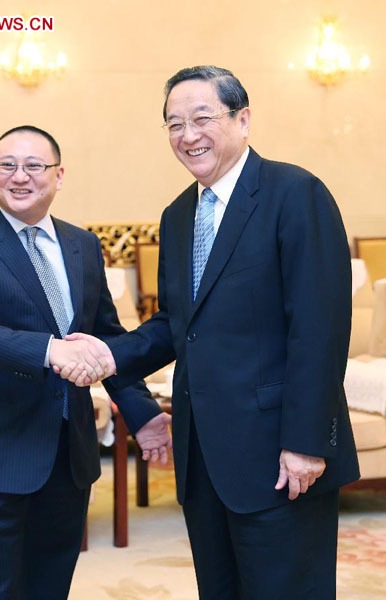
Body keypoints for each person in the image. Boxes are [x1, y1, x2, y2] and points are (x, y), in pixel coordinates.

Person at [60, 67, 360, 599]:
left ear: (243, 119)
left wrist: (306, 443)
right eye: (174, 124)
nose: (188, 135)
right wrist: (109, 355)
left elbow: (319, 331)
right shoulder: (178, 215)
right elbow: (177, 327)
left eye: (202, 118)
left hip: (281, 457)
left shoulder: (295, 193)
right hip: (204, 456)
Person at [0, 125, 171, 600]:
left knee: (49, 587)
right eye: (6, 165)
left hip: (69, 452)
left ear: (59, 176)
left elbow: (105, 336)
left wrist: (141, 415)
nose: (19, 177)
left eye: (33, 166)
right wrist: (50, 349)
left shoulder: (81, 244)